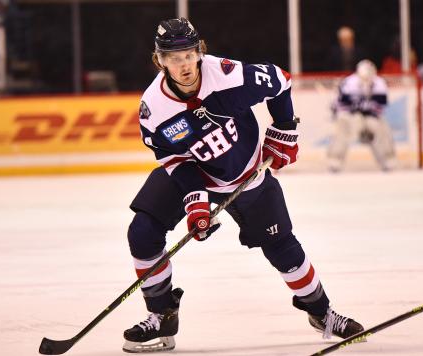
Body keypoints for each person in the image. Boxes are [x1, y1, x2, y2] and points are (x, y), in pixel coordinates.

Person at [122, 18, 364, 353]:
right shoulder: (155, 110)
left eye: (190, 54)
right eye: (174, 58)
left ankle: (321, 313)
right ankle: (162, 314)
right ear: (160, 60)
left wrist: (283, 129)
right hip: (195, 173)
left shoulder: (226, 75)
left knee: (283, 249)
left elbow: (280, 80)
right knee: (143, 232)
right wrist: (196, 201)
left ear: (199, 51)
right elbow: (174, 159)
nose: (185, 65)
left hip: (248, 172)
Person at [327, 59, 396, 173]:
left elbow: (381, 106)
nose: (366, 81)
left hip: (370, 116)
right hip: (351, 116)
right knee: (343, 126)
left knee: (381, 128)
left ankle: (388, 159)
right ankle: (335, 160)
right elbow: (341, 105)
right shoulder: (349, 82)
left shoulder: (379, 83)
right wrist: (360, 107)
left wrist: (363, 106)